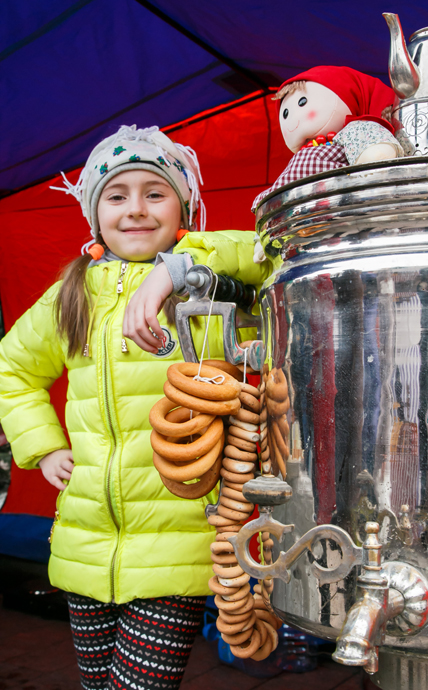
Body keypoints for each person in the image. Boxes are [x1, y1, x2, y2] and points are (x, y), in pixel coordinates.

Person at [0, 125, 272, 690]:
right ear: (95, 214)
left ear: (183, 205)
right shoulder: (71, 294)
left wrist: (176, 270)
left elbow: (274, 251)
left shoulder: (209, 281)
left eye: (155, 192)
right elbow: (13, 369)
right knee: (97, 685)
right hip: (82, 543)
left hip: (178, 541)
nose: (136, 210)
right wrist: (42, 446)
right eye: (117, 196)